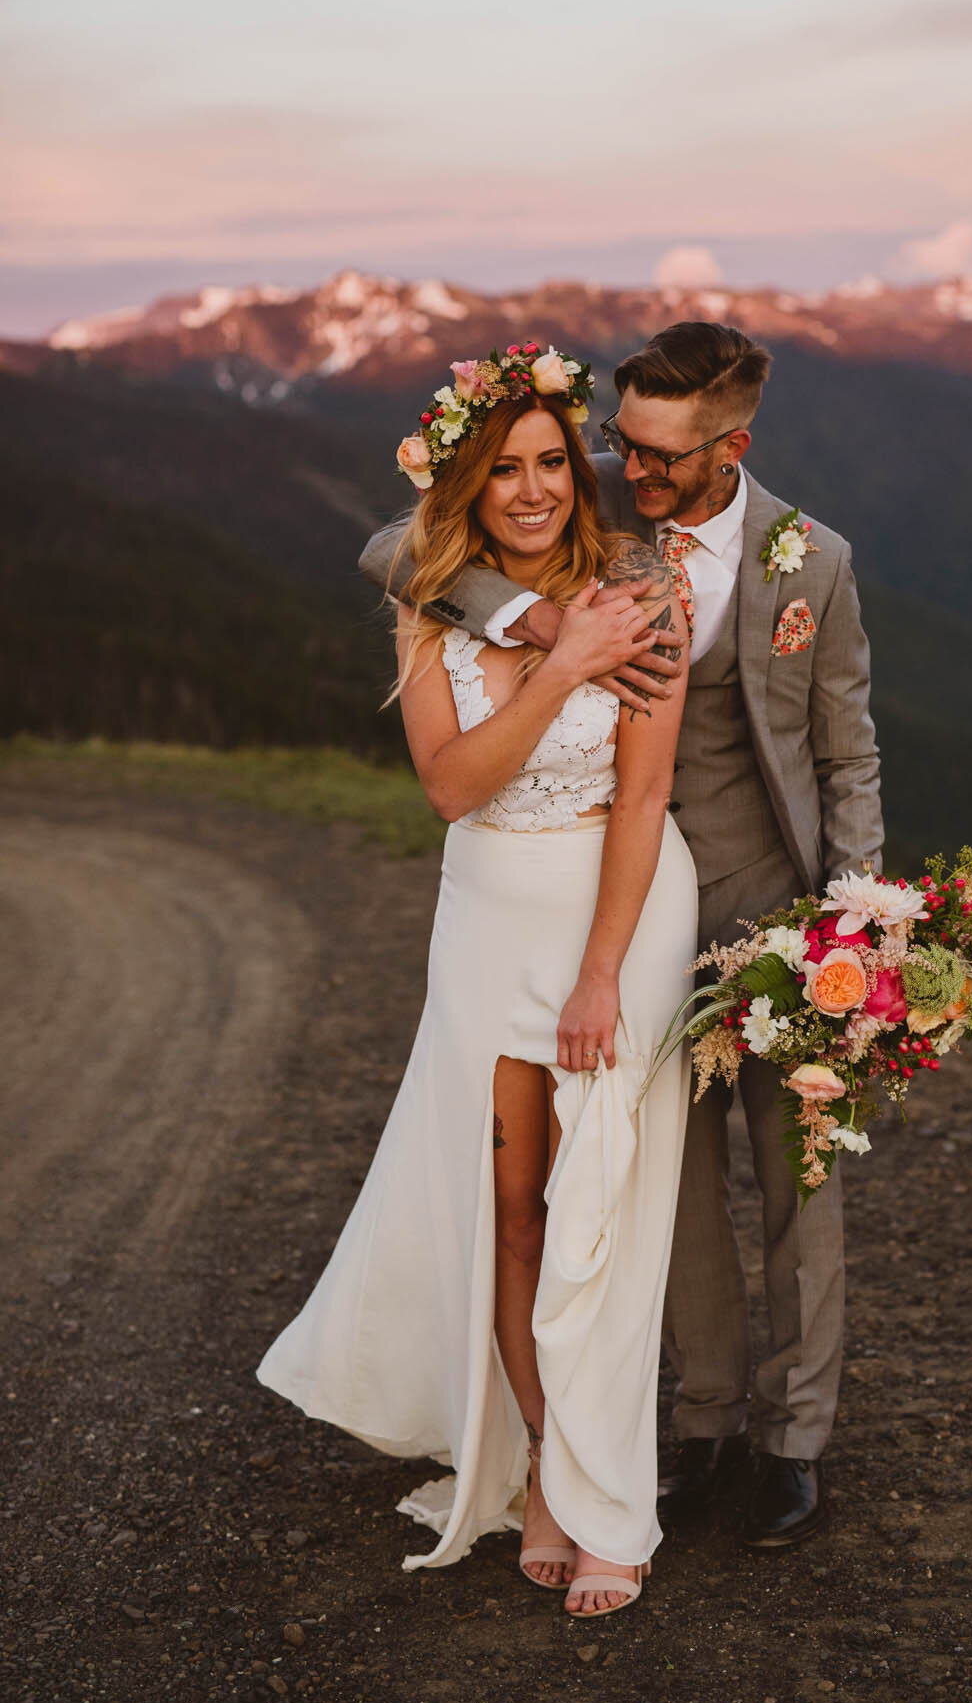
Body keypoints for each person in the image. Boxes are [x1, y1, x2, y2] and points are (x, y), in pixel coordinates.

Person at [359, 322, 882, 1550]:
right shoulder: (584, 490)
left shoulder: (813, 560)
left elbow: (846, 748)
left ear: (728, 446)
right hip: (641, 902)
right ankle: (701, 1424)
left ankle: (794, 1441)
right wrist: (528, 622)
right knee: (675, 1180)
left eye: (654, 456)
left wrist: (859, 921)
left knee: (801, 1177)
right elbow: (399, 544)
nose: (622, 470)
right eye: (618, 443)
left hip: (783, 910)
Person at [258, 345, 696, 1618]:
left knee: (596, 1213)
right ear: (465, 479)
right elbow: (452, 786)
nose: (533, 488)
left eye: (554, 461)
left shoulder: (641, 587)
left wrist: (605, 971)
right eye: (504, 468)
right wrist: (555, 663)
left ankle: (602, 1495)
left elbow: (645, 791)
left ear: (583, 468)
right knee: (511, 1213)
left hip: (616, 910)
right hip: (486, 915)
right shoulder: (433, 594)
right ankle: (537, 1471)